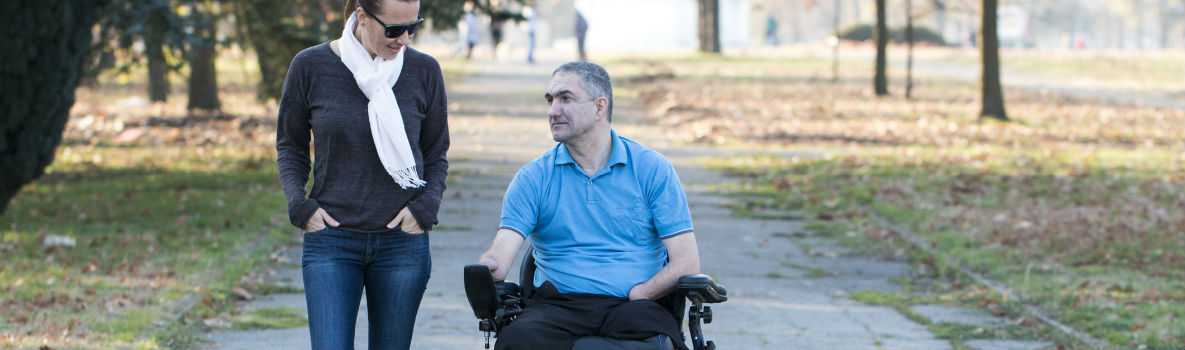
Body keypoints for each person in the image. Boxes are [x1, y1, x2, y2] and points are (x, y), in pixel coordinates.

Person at [477, 61, 701, 350]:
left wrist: (641, 293)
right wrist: (488, 267)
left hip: (634, 306)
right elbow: (503, 248)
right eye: (550, 100)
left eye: (565, 98)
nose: (553, 110)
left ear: (599, 107)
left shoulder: (651, 169)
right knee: (517, 340)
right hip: (557, 307)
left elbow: (686, 261)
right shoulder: (534, 178)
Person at [275, 0, 449, 348]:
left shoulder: (424, 71)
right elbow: (290, 146)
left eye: (412, 27)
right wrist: (300, 204)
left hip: (402, 243)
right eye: (394, 29)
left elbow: (436, 154)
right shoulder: (310, 66)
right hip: (332, 242)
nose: (404, 39)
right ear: (362, 16)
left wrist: (424, 209)